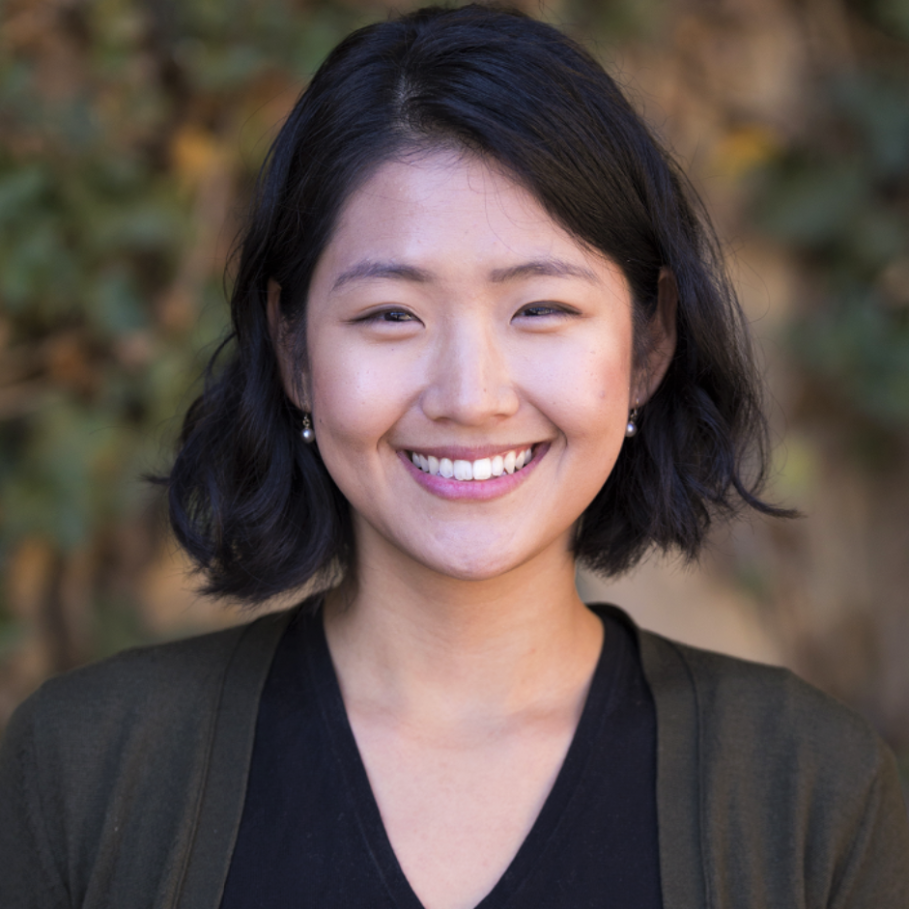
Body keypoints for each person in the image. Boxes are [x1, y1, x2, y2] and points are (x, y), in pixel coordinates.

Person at [1, 5, 907, 908]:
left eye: (540, 309)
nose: (470, 396)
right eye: (390, 314)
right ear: (293, 350)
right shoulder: (87, 769)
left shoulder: (808, 793)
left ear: (648, 342)